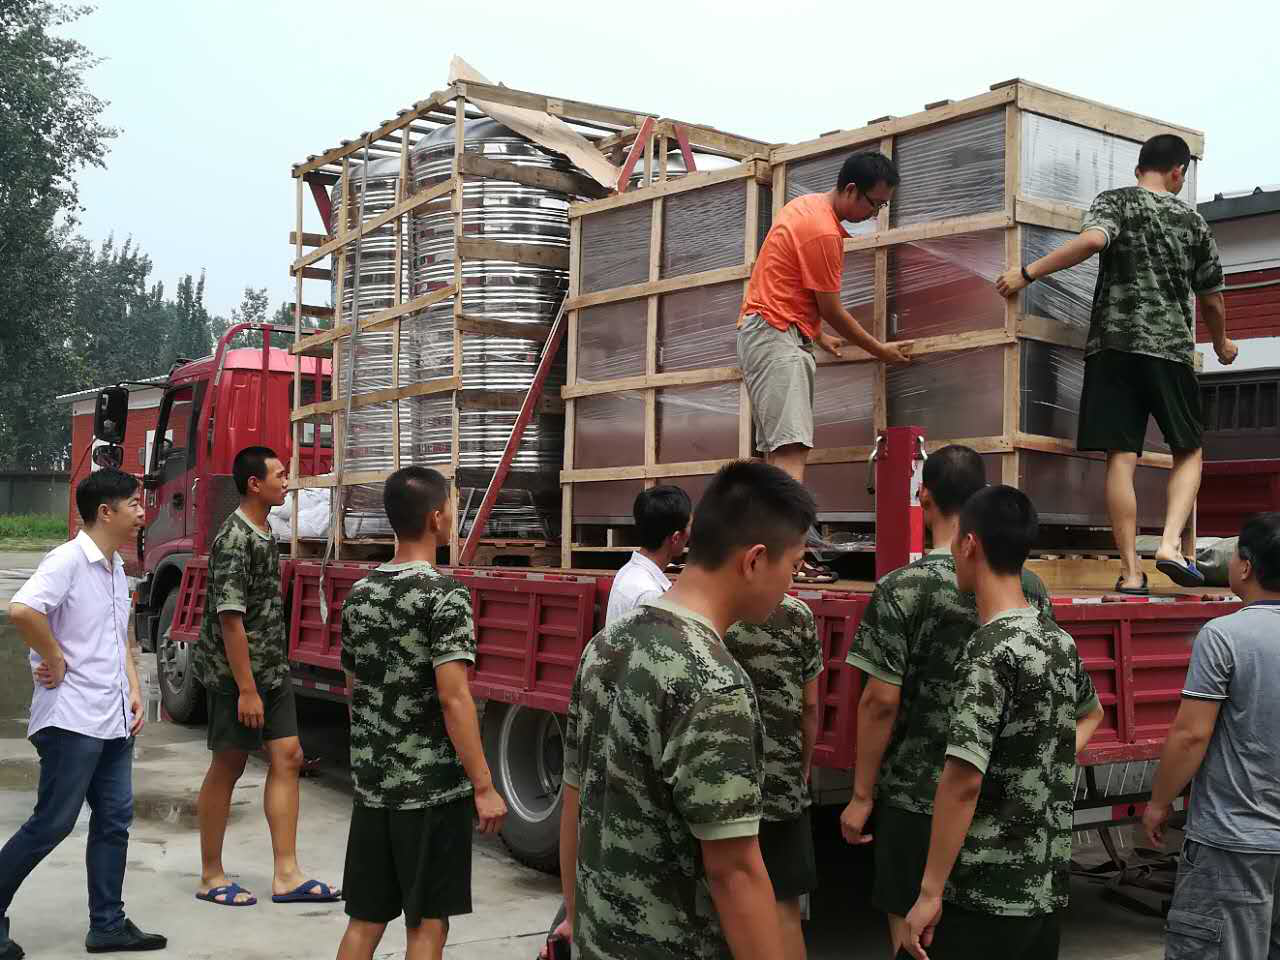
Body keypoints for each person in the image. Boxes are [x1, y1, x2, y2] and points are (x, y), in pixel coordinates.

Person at [559, 460, 815, 959]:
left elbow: (576, 801)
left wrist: (577, 920)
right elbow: (735, 872)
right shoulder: (715, 683)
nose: (792, 582)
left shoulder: (606, 645)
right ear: (755, 560)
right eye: (794, 565)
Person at [995, 133, 1237, 594]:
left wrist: (1026, 273)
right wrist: (1222, 343)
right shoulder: (1193, 222)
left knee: (1121, 457)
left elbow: (1092, 241)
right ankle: (1168, 544)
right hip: (1169, 350)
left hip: (1113, 347)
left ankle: (1130, 572)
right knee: (1188, 450)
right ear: (1178, 172)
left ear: (1138, 169)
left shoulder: (1116, 201)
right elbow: (1211, 299)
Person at [840, 445, 1054, 957]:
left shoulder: (900, 588)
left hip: (915, 799)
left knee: (912, 941)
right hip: (995, 796)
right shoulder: (1030, 587)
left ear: (925, 497)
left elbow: (880, 702)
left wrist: (862, 795)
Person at [901, 486, 1104, 960]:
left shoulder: (989, 651)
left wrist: (930, 893)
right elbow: (1092, 713)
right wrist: (1041, 763)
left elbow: (963, 781)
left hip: (984, 891)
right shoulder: (1057, 639)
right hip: (1044, 890)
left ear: (969, 544)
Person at [335, 467, 507, 960]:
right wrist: (483, 786)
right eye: (451, 506)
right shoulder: (445, 596)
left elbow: (354, 687)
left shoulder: (360, 594)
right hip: (430, 790)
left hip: (373, 785)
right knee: (428, 924)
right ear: (436, 518)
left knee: (365, 920)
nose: (453, 514)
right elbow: (455, 699)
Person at [0, 469, 167, 957]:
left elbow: (119, 636)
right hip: (71, 718)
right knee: (53, 822)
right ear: (105, 512)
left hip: (112, 717)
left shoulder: (116, 568)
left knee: (114, 820)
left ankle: (108, 925)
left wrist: (133, 688)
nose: (142, 513)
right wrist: (53, 658)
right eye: (134, 504)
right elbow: (24, 610)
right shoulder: (68, 560)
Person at [193, 446, 338, 907]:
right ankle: (211, 875)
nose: (286, 481)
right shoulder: (234, 539)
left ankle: (287, 874)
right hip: (237, 679)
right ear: (254, 484)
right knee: (229, 764)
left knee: (289, 757)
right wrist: (246, 690)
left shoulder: (264, 529)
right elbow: (230, 619)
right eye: (279, 475)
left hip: (271, 672)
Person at [1143, 513, 1280, 959]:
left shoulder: (1224, 636)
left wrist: (1159, 802)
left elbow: (1190, 736)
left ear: (1246, 567)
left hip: (1234, 840)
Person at [738, 151, 911, 487]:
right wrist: (881, 350)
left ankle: (772, 521)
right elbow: (832, 310)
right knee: (790, 450)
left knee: (778, 452)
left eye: (882, 206)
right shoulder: (823, 233)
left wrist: (817, 335)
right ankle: (790, 522)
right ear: (851, 189)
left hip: (765, 332)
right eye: (874, 204)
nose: (875, 213)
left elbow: (787, 282)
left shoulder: (805, 205)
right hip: (777, 337)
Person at [724, 596, 823, 960]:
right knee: (784, 910)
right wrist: (801, 768)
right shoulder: (797, 615)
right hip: (783, 784)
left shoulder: (721, 610)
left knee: (728, 905)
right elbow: (810, 706)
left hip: (727, 784)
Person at [605, 485, 692, 625]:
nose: (690, 533)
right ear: (675, 538)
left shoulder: (630, 571)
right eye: (689, 526)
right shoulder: (650, 595)